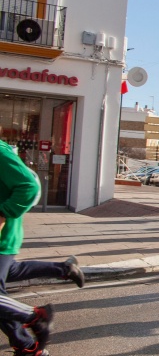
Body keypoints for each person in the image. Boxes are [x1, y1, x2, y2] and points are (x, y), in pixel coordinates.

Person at [1, 139, 70, 356]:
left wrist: (2, 213)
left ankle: (35, 318)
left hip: (3, 238)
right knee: (11, 275)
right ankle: (27, 346)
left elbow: (29, 187)